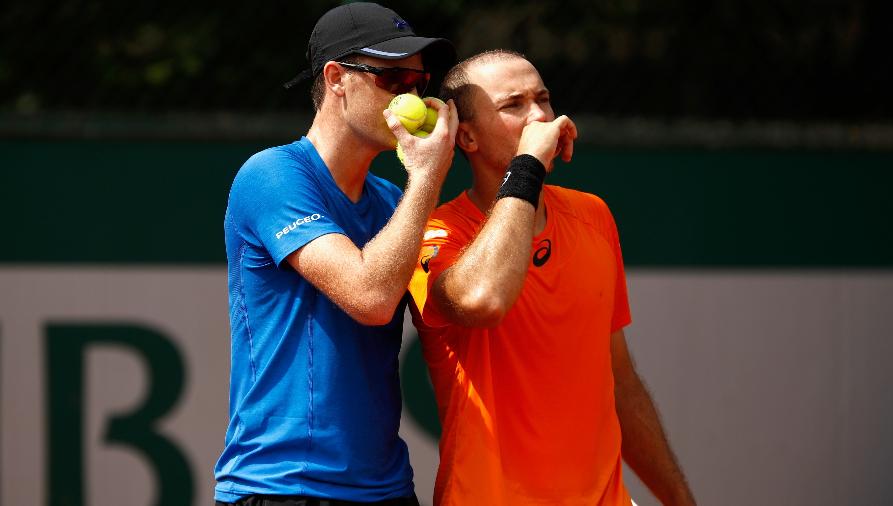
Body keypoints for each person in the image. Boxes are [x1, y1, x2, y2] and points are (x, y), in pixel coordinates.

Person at [408, 50, 696, 506]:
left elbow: (619, 379)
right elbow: (482, 300)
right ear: (466, 137)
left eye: (543, 99)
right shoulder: (434, 234)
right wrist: (526, 168)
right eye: (514, 105)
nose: (541, 117)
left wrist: (681, 500)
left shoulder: (593, 215)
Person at [214, 3, 458, 505]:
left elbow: (452, 321)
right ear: (336, 78)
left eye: (418, 80)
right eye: (392, 78)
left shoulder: (396, 201)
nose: (410, 95)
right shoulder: (272, 175)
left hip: (387, 489)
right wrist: (429, 177)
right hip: (283, 486)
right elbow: (368, 296)